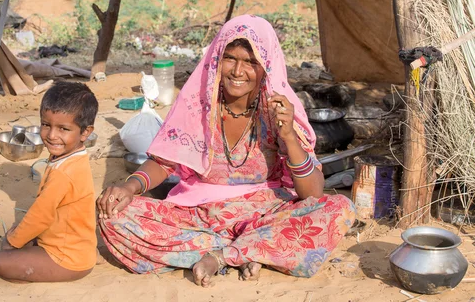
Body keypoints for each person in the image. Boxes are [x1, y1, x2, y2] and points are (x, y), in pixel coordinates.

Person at [97, 15, 356, 287]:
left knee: (340, 208)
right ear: (217, 59)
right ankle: (253, 250)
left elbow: (313, 193)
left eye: (251, 62)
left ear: (266, 66)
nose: (237, 71)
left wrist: (289, 135)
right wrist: (129, 187)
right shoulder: (198, 104)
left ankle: (222, 256)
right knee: (112, 215)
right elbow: (163, 163)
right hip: (199, 216)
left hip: (266, 213)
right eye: (230, 58)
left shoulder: (278, 109)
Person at [0, 81, 99, 282]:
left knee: (2, 260)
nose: (51, 135)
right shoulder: (73, 158)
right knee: (21, 240)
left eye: (63, 129)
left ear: (85, 132)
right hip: (76, 248)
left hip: (67, 259)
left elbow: (41, 215)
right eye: (46, 125)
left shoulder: (63, 173)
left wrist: (12, 242)